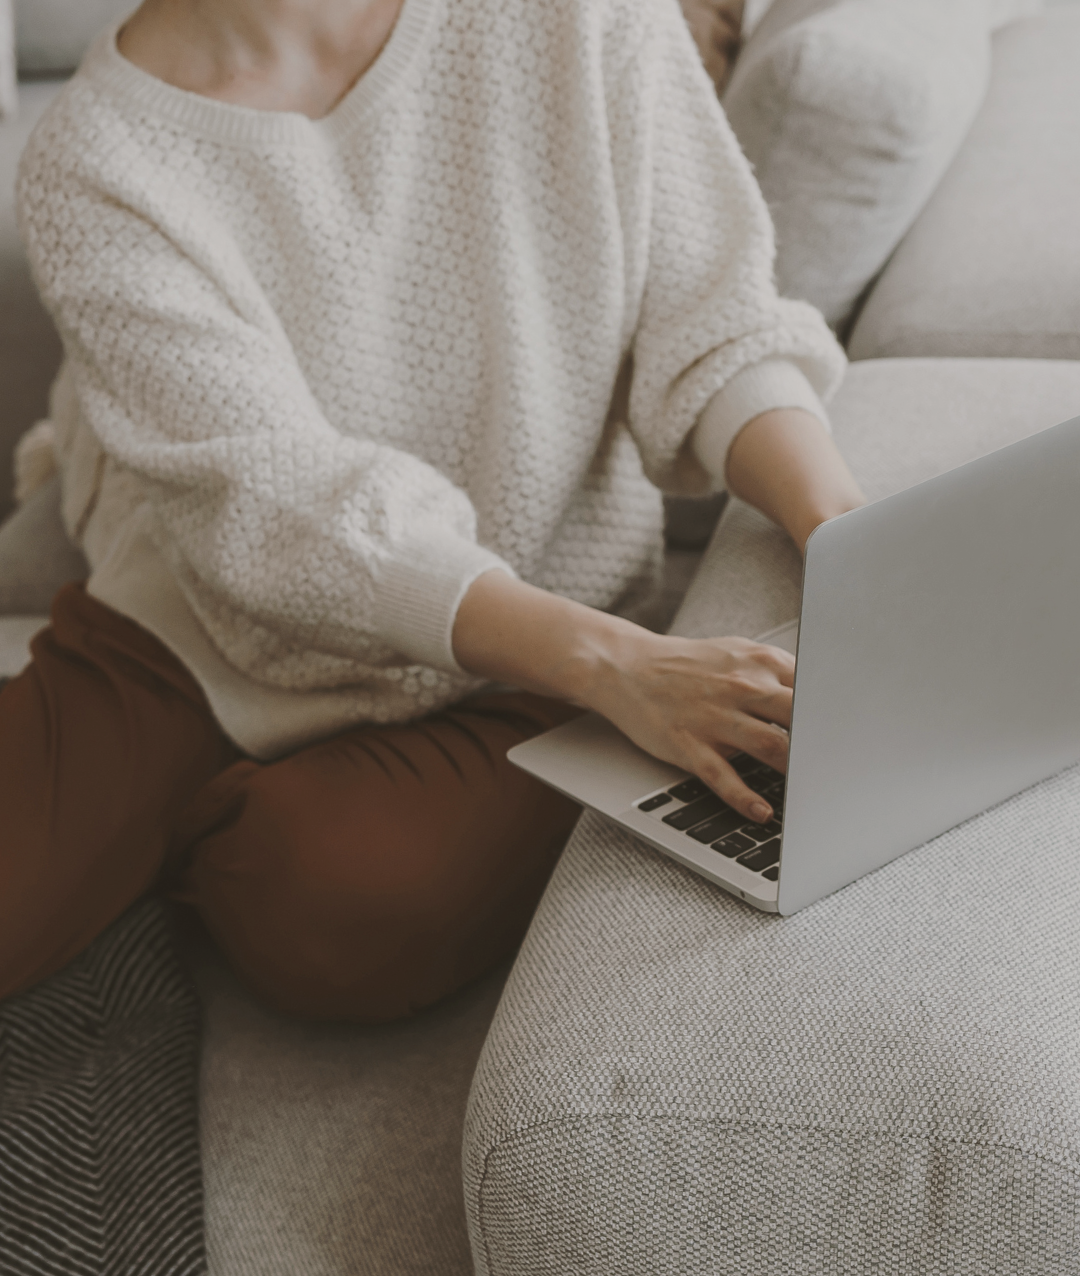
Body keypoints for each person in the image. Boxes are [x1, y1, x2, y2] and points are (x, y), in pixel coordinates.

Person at [3, 0, 863, 1019]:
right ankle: (176, 818)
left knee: (324, 908)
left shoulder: (583, 17)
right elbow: (278, 508)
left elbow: (718, 327)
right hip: (200, 630)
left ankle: (195, 834)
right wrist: (620, 665)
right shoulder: (90, 157)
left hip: (534, 639)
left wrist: (842, 531)